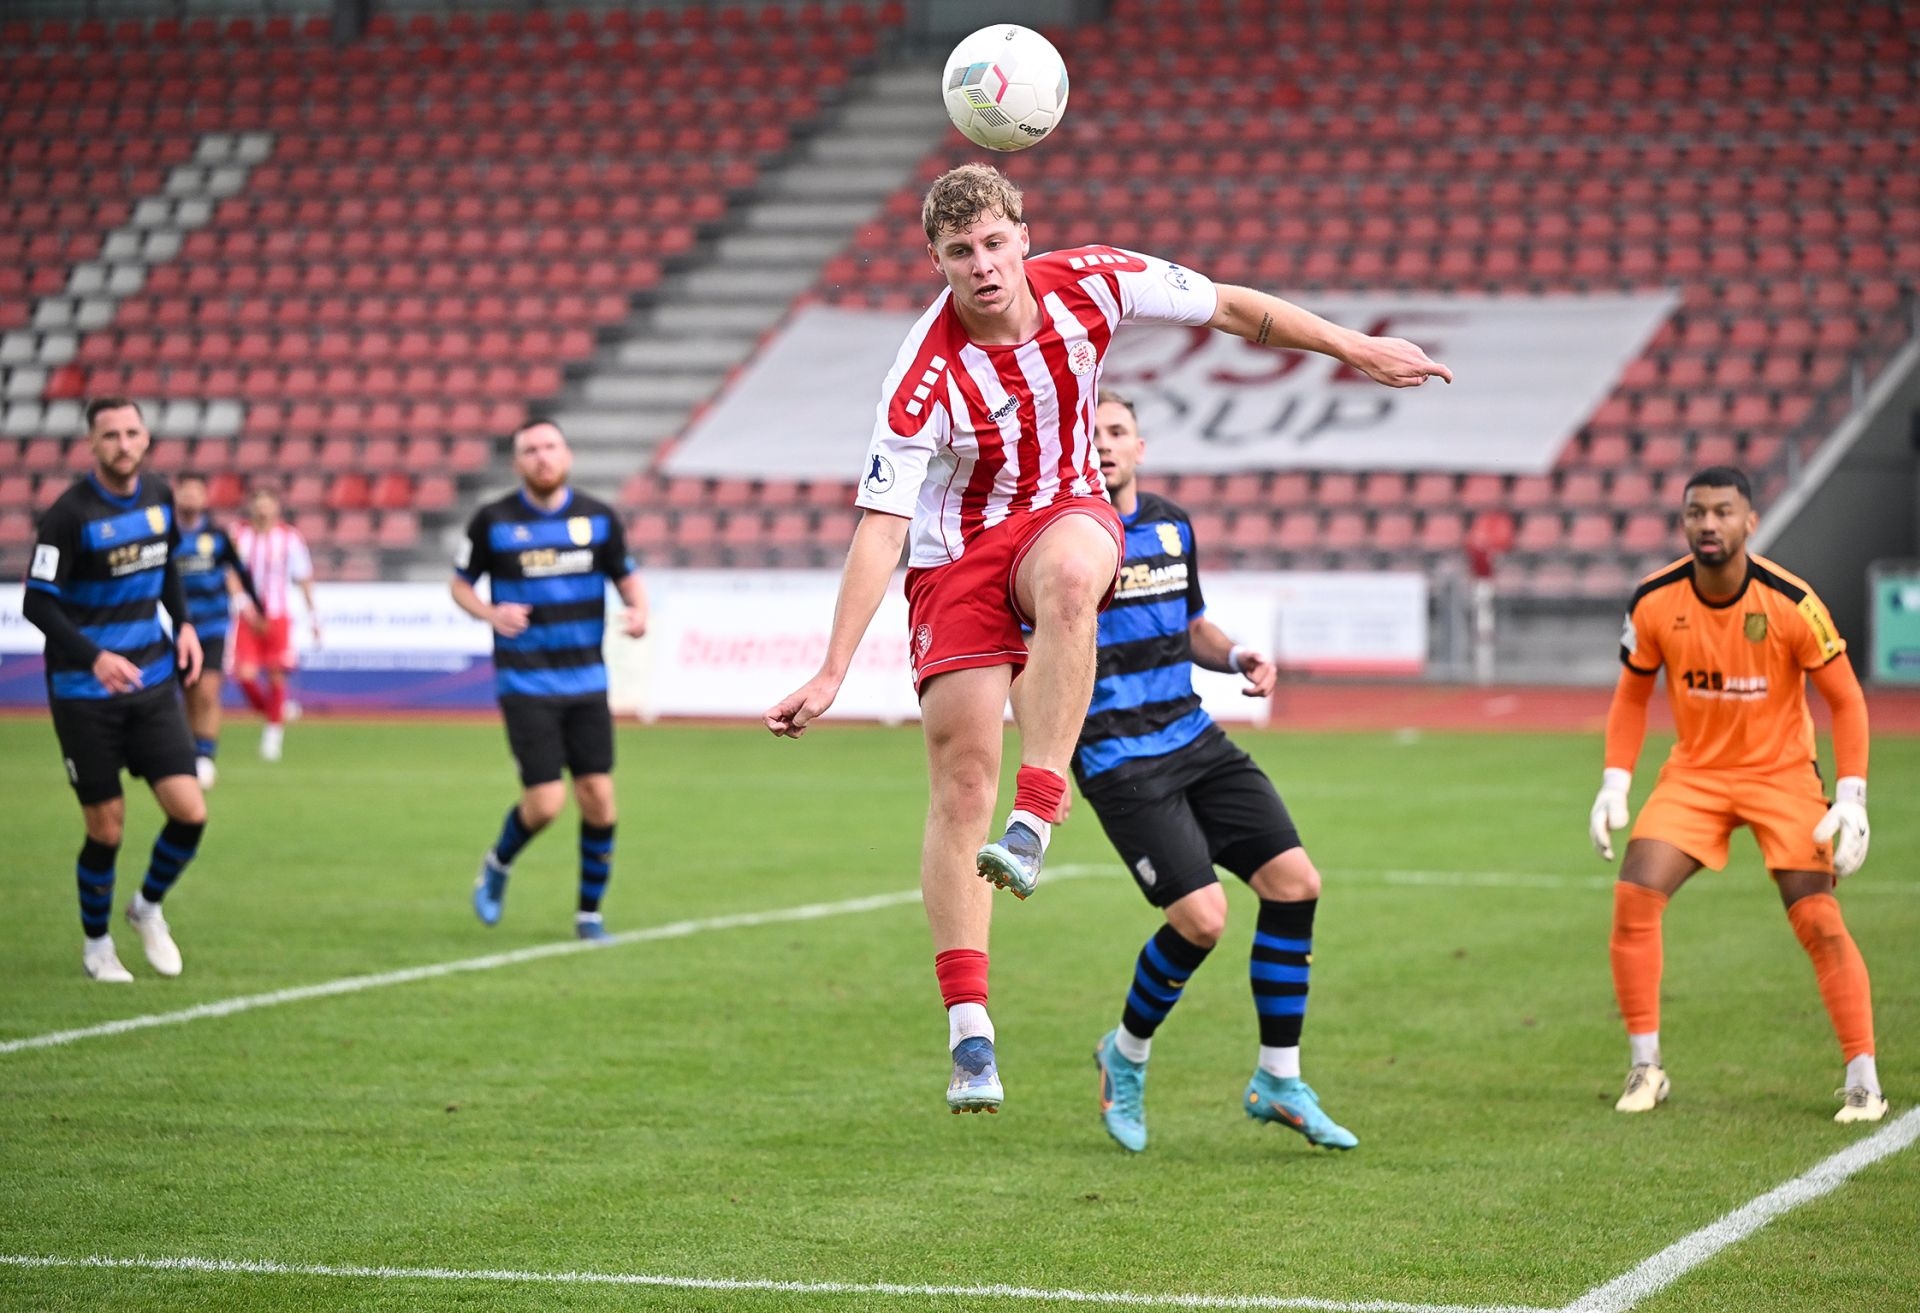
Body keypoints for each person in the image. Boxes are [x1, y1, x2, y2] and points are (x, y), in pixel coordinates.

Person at [765, 163, 1450, 1115]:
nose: (983, 265)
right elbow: (882, 527)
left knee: (1073, 580)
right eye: (960, 252)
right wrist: (833, 666)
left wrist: (1352, 345)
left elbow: (1233, 308)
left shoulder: (1093, 279)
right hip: (955, 556)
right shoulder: (920, 379)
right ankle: (970, 1029)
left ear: (1023, 236)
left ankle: (1038, 814)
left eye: (995, 243)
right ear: (935, 260)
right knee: (961, 779)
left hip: (1063, 509)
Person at [1077, 391, 1356, 1152]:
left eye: (1117, 431)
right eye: (1090, 432)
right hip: (1117, 754)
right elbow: (1032, 659)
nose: (1103, 444)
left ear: (1140, 447)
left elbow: (1192, 624)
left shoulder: (1171, 525)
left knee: (1295, 883)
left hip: (1193, 736)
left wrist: (1235, 656)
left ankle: (1279, 1080)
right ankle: (1124, 1055)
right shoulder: (1058, 540)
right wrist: (1043, 770)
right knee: (1201, 920)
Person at [1590, 466, 1884, 1124]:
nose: (1709, 524)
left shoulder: (1791, 601)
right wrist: (1614, 783)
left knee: (1817, 918)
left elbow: (1846, 698)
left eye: (1723, 511)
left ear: (1750, 522)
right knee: (1634, 896)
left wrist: (1852, 796)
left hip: (1783, 776)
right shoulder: (1654, 599)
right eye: (1697, 512)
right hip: (1696, 775)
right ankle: (1645, 1066)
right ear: (1683, 522)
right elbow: (1632, 695)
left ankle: (1863, 1077)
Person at [21, 397, 208, 982]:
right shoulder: (68, 515)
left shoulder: (158, 495)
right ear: (92, 444)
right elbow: (37, 603)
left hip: (151, 684)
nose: (123, 444)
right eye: (111, 435)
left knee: (191, 813)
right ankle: (97, 944)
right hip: (84, 693)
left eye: (131, 433)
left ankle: (146, 908)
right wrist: (95, 657)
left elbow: (166, 566)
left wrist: (184, 625)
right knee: (107, 828)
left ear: (146, 438)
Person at [452, 419, 648, 941]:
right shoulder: (493, 521)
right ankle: (498, 864)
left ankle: (589, 915)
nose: (542, 457)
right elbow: (460, 585)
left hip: (587, 681)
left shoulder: (598, 517)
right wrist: (490, 613)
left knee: (599, 797)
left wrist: (639, 610)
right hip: (526, 682)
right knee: (545, 804)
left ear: (567, 455)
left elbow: (626, 575)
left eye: (550, 447)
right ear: (517, 462)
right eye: (531, 450)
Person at [171, 471, 264, 788]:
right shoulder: (165, 537)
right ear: (177, 495)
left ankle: (205, 756)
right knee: (188, 693)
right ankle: (189, 752)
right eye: (186, 491)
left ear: (204, 498)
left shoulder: (218, 537)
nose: (191, 497)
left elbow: (242, 572)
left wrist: (258, 607)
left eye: (196, 492)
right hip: (177, 629)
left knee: (208, 691)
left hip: (212, 627)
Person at [232, 483, 319, 762]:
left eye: (267, 502)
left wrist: (314, 617)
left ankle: (273, 736)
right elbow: (230, 573)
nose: (262, 507)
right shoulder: (239, 535)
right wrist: (244, 605)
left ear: (277, 507)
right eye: (258, 502)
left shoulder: (290, 538)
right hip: (248, 615)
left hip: (278, 615)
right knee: (245, 675)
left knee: (276, 675)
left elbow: (303, 577)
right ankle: (275, 711)